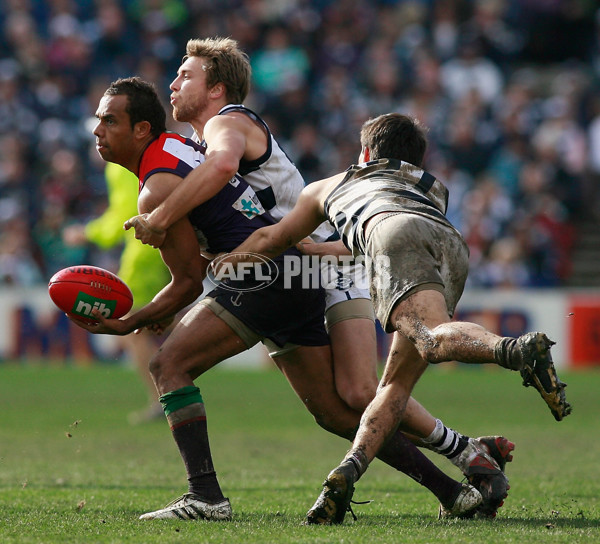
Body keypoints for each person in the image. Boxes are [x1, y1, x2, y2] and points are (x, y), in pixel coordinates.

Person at [74, 77, 512, 524]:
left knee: (167, 366)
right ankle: (455, 494)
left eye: (110, 120)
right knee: (337, 412)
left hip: (265, 274)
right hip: (296, 272)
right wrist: (156, 310)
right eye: (98, 120)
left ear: (142, 129)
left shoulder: (159, 184)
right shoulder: (177, 148)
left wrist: (128, 322)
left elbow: (187, 282)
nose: (97, 130)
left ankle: (204, 496)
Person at [215, 112, 572, 524]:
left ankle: (512, 349)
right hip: (449, 243)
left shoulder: (332, 185)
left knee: (432, 339)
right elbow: (373, 241)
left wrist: (227, 262)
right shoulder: (428, 185)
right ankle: (349, 470)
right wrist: (316, 251)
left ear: (365, 151)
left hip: (392, 234)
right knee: (394, 385)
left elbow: (270, 238)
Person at [63, 162, 171, 423]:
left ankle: (162, 400)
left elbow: (123, 218)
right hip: (167, 243)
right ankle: (173, 391)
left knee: (132, 328)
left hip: (144, 251)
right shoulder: (151, 155)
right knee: (161, 320)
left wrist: (86, 232)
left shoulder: (121, 165)